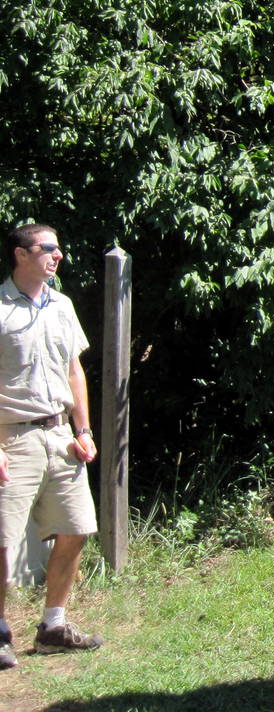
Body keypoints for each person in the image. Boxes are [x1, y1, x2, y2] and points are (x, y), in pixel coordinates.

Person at [0, 224, 104, 667]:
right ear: (21, 255)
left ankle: (53, 627)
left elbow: (73, 369)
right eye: (48, 248)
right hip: (12, 436)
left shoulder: (61, 305)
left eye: (59, 247)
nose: (57, 255)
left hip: (61, 435)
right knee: (2, 542)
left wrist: (83, 431)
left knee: (77, 527)